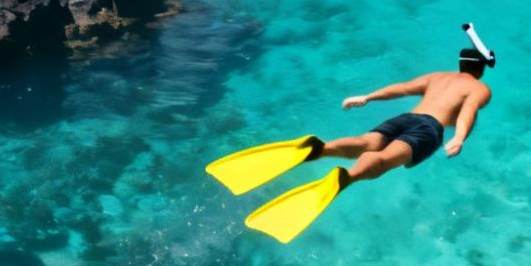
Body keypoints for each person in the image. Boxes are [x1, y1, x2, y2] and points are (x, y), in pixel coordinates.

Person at [206, 26, 496, 242]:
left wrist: (367, 97)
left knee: (366, 142)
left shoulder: (438, 76)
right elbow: (469, 110)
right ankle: (347, 177)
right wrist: (458, 138)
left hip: (406, 117)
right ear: (481, 69)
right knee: (384, 159)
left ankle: (318, 149)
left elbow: (403, 87)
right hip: (428, 128)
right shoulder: (479, 88)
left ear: (460, 64)